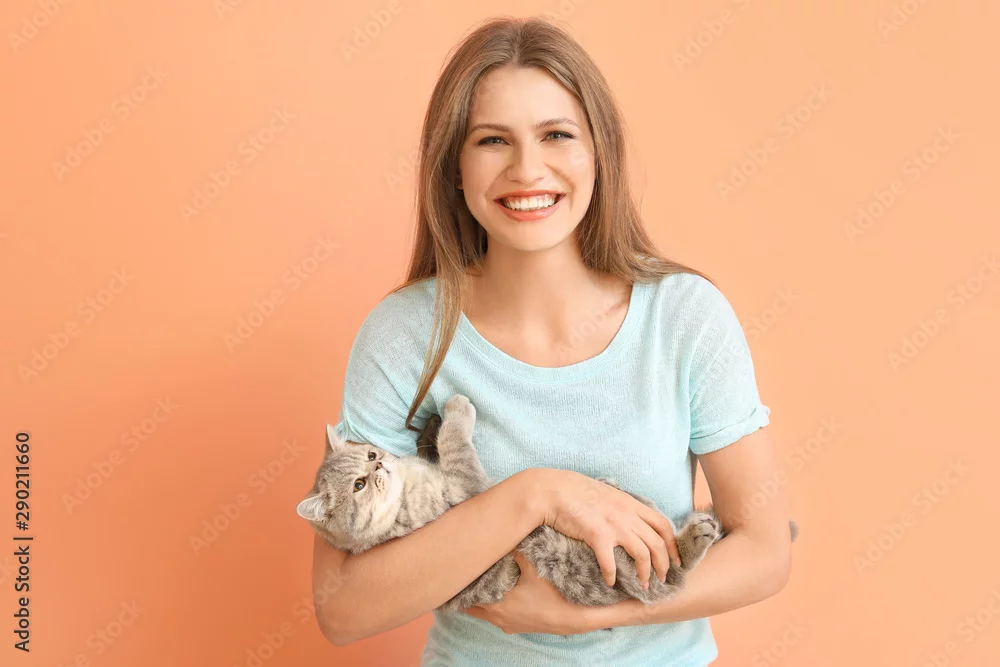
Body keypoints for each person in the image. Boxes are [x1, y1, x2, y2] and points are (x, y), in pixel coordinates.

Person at [310, 15, 793, 666]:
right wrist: (534, 494)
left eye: (556, 135)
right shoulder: (403, 335)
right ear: (455, 167)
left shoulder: (685, 317)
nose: (527, 168)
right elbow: (343, 606)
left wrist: (587, 615)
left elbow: (765, 549)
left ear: (598, 153)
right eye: (492, 140)